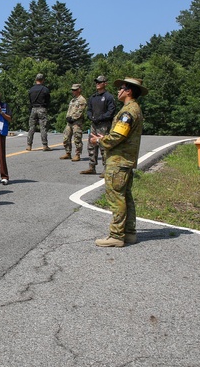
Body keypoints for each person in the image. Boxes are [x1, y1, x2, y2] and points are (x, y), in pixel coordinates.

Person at [89, 77, 148, 248]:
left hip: (119, 161)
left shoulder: (128, 112)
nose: (118, 91)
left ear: (128, 91)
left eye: (121, 88)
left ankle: (116, 235)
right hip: (125, 160)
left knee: (116, 197)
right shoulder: (132, 109)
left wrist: (100, 141)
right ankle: (129, 232)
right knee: (125, 196)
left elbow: (118, 136)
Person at [82, 75, 117, 175]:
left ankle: (106, 168)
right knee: (91, 145)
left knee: (103, 146)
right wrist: (91, 117)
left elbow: (111, 112)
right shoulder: (93, 97)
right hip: (94, 124)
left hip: (104, 125)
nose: (97, 84)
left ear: (105, 83)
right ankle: (91, 167)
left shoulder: (108, 97)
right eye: (96, 82)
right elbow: (89, 110)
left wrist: (100, 118)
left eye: (99, 82)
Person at [61, 84, 87, 161]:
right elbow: (69, 110)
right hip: (70, 122)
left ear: (79, 90)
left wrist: (73, 118)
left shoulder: (82, 100)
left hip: (77, 122)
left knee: (77, 138)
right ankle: (68, 153)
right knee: (66, 137)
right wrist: (67, 117)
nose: (73, 91)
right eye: (72, 90)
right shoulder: (73, 100)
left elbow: (80, 111)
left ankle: (77, 154)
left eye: (75, 90)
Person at [27, 73, 51, 151]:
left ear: (36, 79)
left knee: (31, 127)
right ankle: (45, 145)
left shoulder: (31, 90)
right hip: (42, 108)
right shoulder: (45, 89)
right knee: (43, 127)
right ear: (43, 80)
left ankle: (29, 145)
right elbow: (48, 100)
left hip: (33, 108)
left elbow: (30, 100)